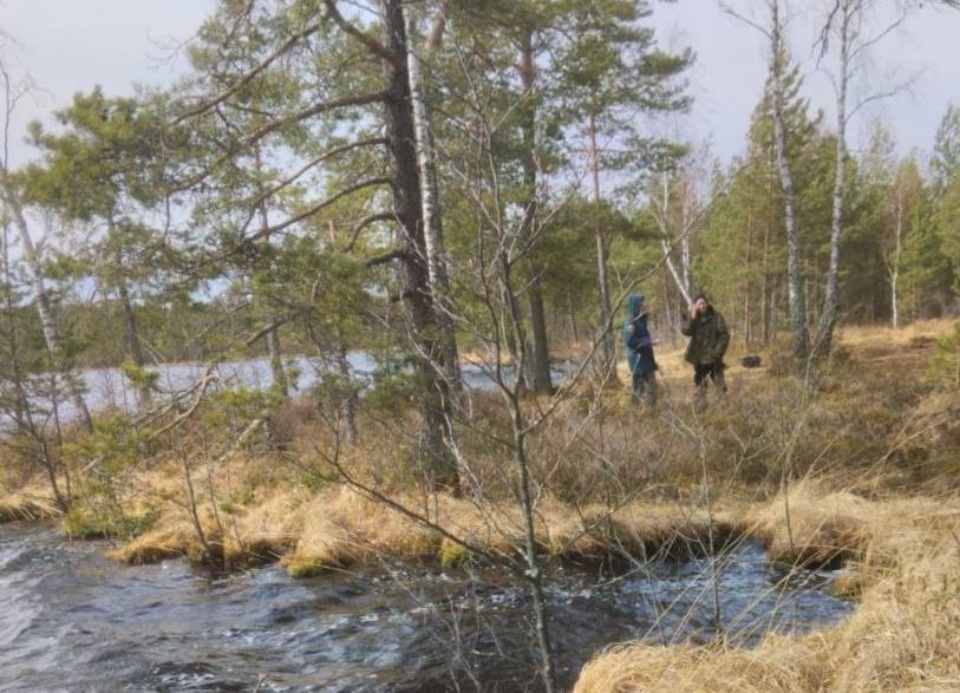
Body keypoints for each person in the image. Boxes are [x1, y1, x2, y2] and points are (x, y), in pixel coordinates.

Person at [681, 293, 730, 410]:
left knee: (719, 383)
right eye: (699, 304)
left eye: (704, 303)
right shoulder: (694, 319)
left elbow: (725, 336)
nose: (702, 306)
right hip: (699, 359)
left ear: (707, 304)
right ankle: (700, 408)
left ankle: (724, 408)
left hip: (714, 358)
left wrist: (717, 352)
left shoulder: (716, 317)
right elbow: (686, 331)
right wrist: (693, 317)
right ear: (695, 306)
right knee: (700, 384)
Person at [622, 293, 658, 407]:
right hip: (637, 361)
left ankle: (651, 414)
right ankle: (634, 416)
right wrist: (648, 343)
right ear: (635, 305)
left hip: (646, 360)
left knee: (651, 389)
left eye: (643, 303)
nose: (643, 306)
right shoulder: (630, 322)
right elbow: (630, 340)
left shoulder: (640, 321)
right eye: (641, 304)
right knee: (638, 389)